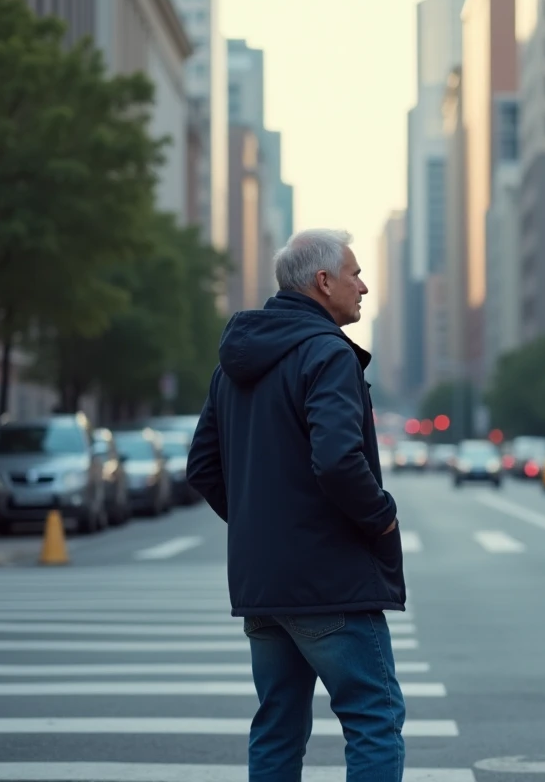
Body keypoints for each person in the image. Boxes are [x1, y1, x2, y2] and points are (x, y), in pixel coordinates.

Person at [186, 228, 405, 781]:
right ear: (323, 281)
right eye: (355, 274)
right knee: (373, 717)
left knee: (278, 727)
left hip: (264, 585)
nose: (365, 286)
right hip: (329, 580)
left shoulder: (232, 365)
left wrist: (264, 525)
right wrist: (381, 518)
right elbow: (337, 460)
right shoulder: (327, 353)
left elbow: (203, 469)